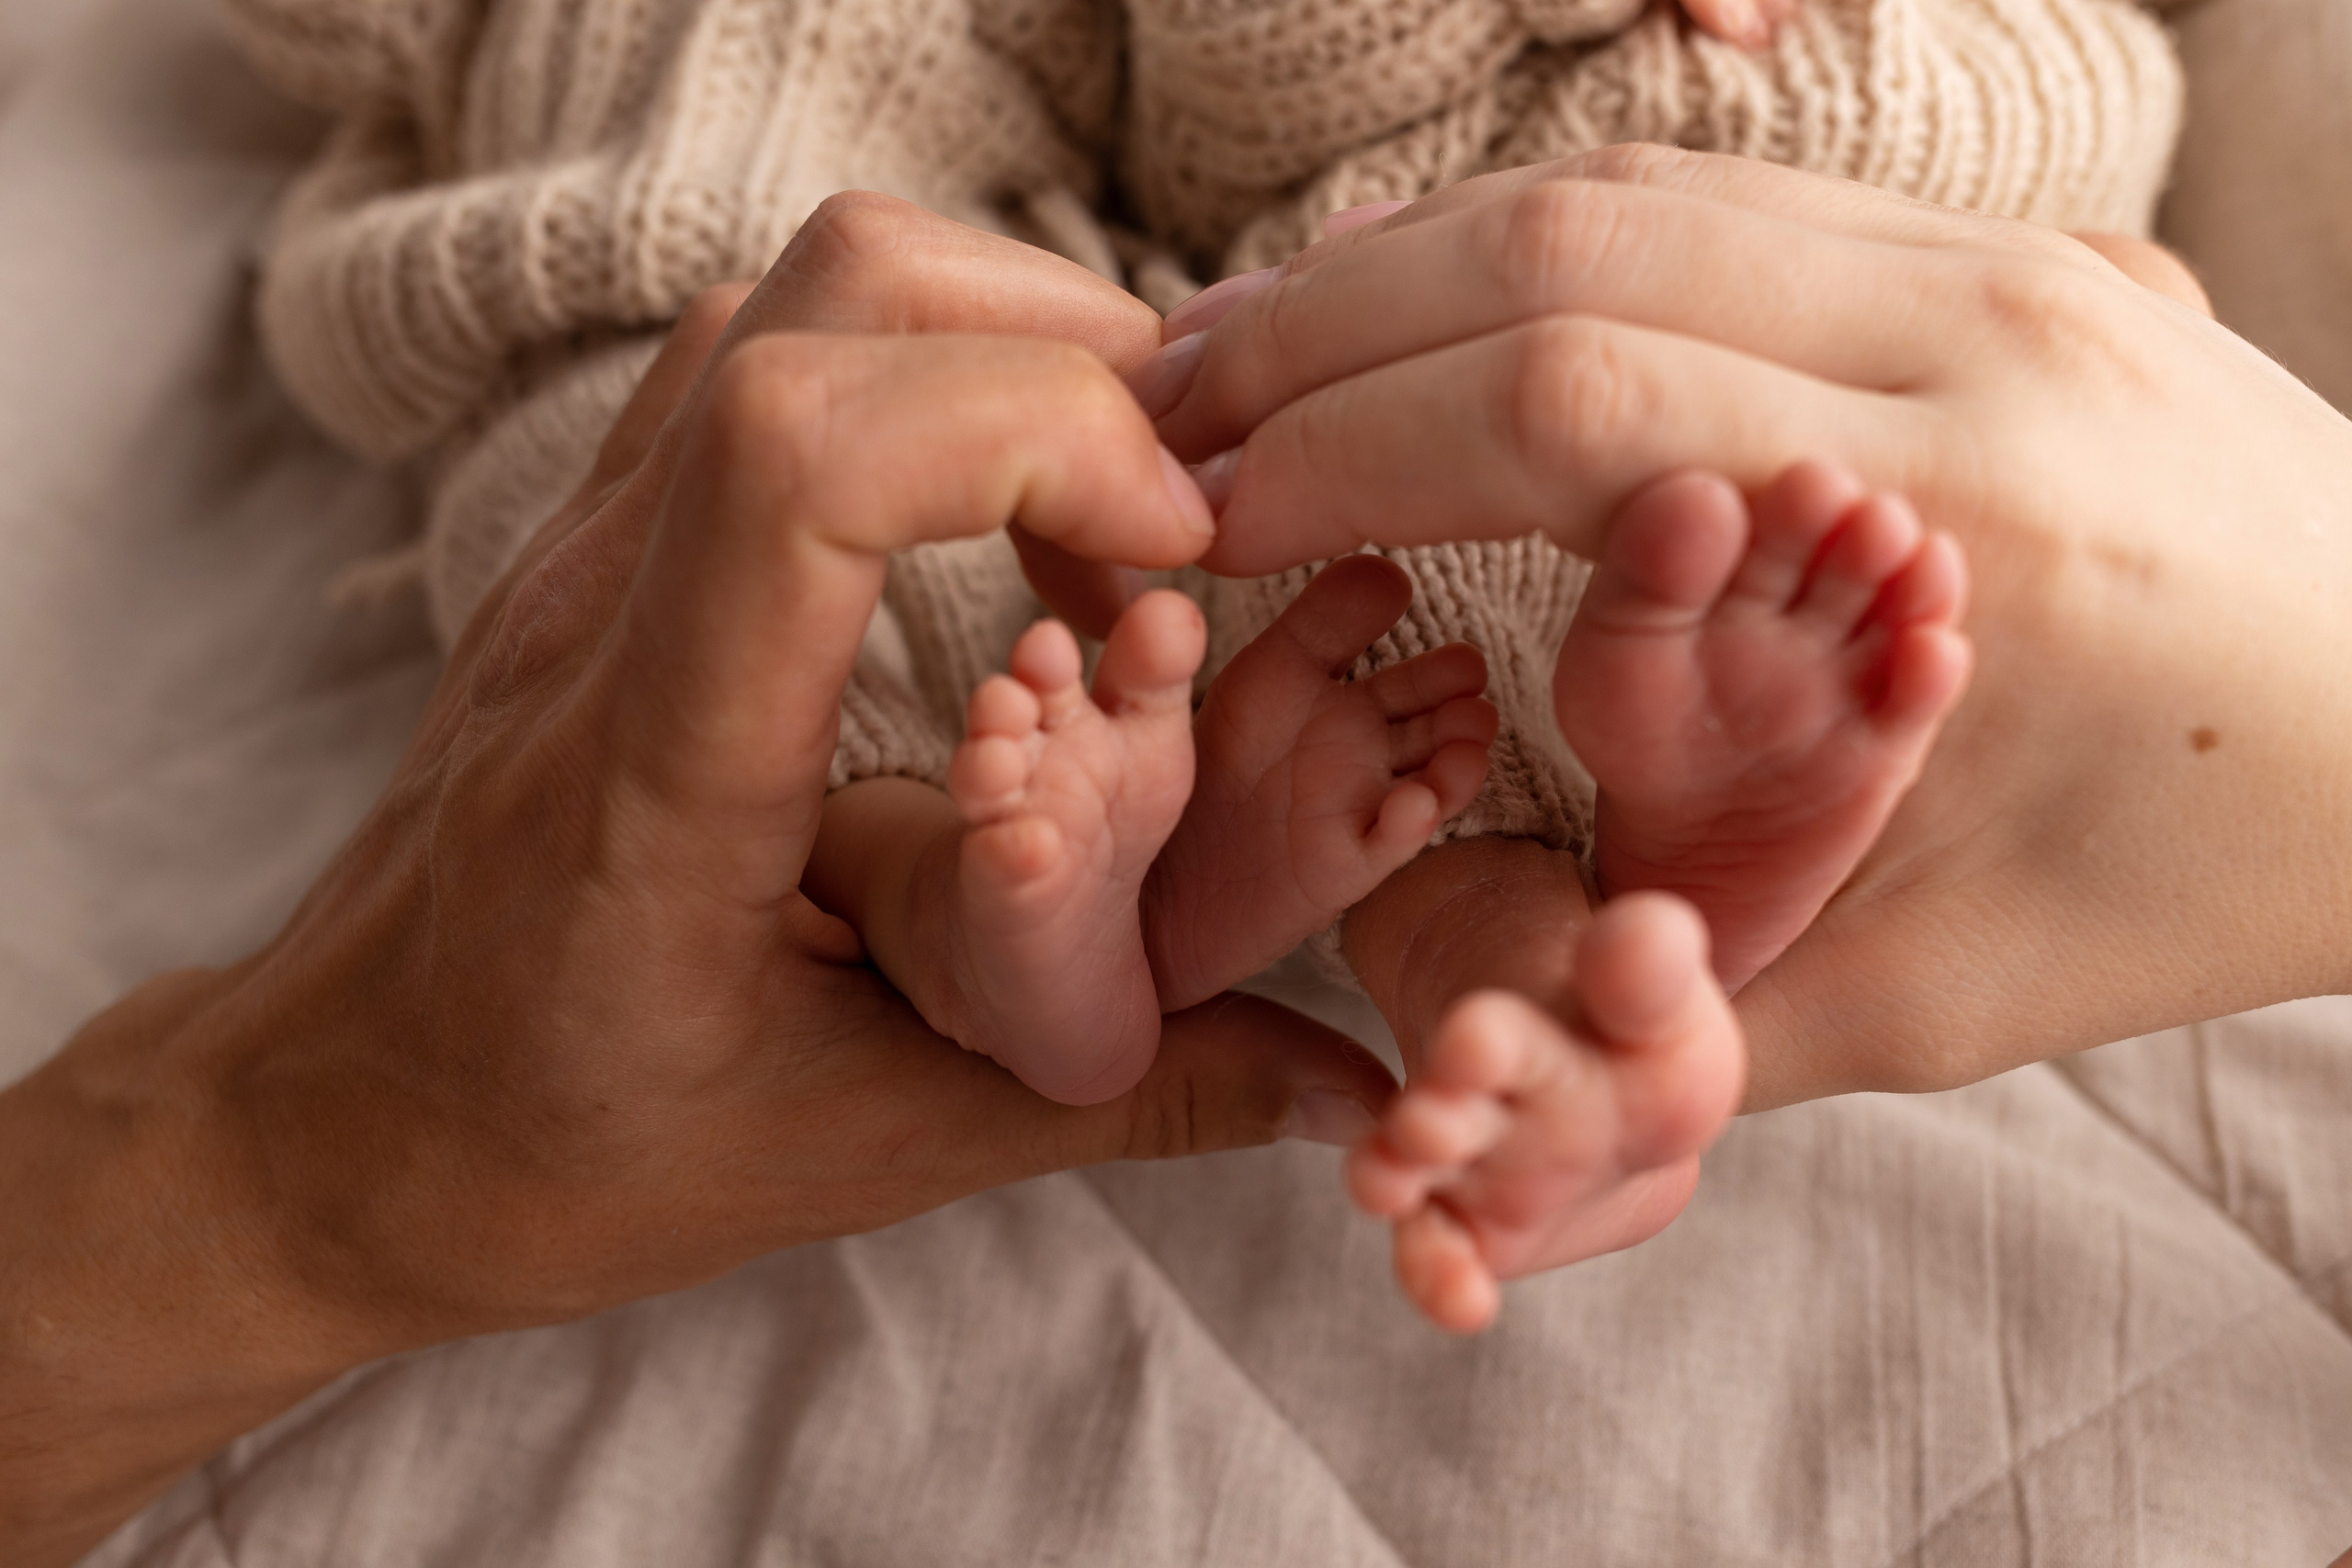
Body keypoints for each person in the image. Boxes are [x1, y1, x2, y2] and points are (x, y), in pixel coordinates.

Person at [8, 151, 2351, 1567]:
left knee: (1466, 802)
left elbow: (2081, 188)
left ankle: (1558, 1007)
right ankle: (1050, 913)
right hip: (1316, 432)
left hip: (1753, 430)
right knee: (835, 538)